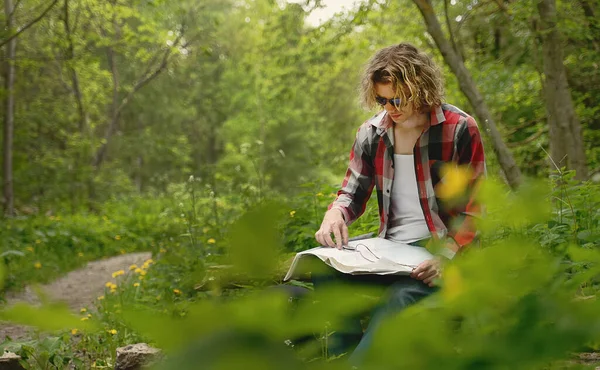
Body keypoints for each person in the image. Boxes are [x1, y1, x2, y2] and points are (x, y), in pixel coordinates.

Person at [312, 43, 486, 364]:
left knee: (401, 296)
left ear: (421, 88)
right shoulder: (371, 133)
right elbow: (352, 192)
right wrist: (335, 213)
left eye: (398, 99)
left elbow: (474, 211)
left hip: (440, 252)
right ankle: (346, 354)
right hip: (391, 249)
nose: (390, 108)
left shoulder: (459, 128)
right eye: (381, 99)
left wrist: (447, 257)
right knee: (321, 268)